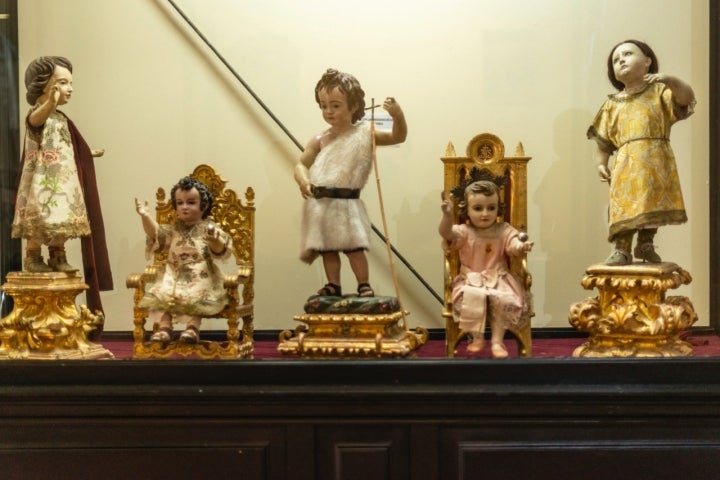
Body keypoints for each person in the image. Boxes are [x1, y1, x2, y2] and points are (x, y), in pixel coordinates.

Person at [11, 56, 112, 316]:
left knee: (63, 219)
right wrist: (50, 102)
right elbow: (36, 122)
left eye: (70, 83)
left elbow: (72, 144)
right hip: (43, 182)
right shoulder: (38, 113)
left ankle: (57, 253)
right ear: (44, 85)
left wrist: (89, 153)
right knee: (42, 216)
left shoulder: (62, 118)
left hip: (65, 182)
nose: (70, 88)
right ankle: (33, 256)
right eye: (62, 83)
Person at [294, 68, 407, 298]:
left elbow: (398, 136)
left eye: (335, 105)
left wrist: (398, 115)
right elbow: (300, 164)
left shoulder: (365, 134)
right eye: (324, 105)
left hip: (347, 202)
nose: (329, 111)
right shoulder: (319, 139)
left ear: (354, 105)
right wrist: (304, 181)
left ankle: (363, 284)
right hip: (322, 202)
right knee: (328, 249)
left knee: (353, 248)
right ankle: (333, 285)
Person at [587, 39, 695, 265]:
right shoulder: (612, 103)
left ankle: (646, 244)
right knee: (624, 206)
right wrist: (601, 163)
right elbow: (603, 139)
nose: (621, 60)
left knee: (651, 202)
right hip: (626, 164)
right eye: (616, 60)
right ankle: (622, 248)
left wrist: (670, 80)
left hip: (656, 160)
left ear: (647, 61)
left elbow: (685, 98)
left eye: (627, 54)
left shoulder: (660, 92)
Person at [439, 180, 533, 358]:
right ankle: (477, 336)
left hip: (499, 279)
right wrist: (447, 216)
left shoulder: (503, 229)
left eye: (491, 208)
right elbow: (446, 234)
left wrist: (521, 246)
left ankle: (497, 340)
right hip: (471, 280)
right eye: (478, 208)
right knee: (474, 296)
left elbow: (513, 245)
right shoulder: (464, 231)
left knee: (502, 298)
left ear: (499, 208)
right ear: (466, 209)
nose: (485, 213)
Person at [134, 176, 233, 344]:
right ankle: (165, 328)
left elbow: (220, 250)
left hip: (201, 274)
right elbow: (156, 234)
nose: (184, 207)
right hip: (173, 273)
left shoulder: (209, 228)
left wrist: (215, 241)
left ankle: (193, 328)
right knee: (162, 291)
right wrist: (145, 216)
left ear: (204, 205)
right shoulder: (173, 230)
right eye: (180, 203)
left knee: (198, 292)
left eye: (191, 202)